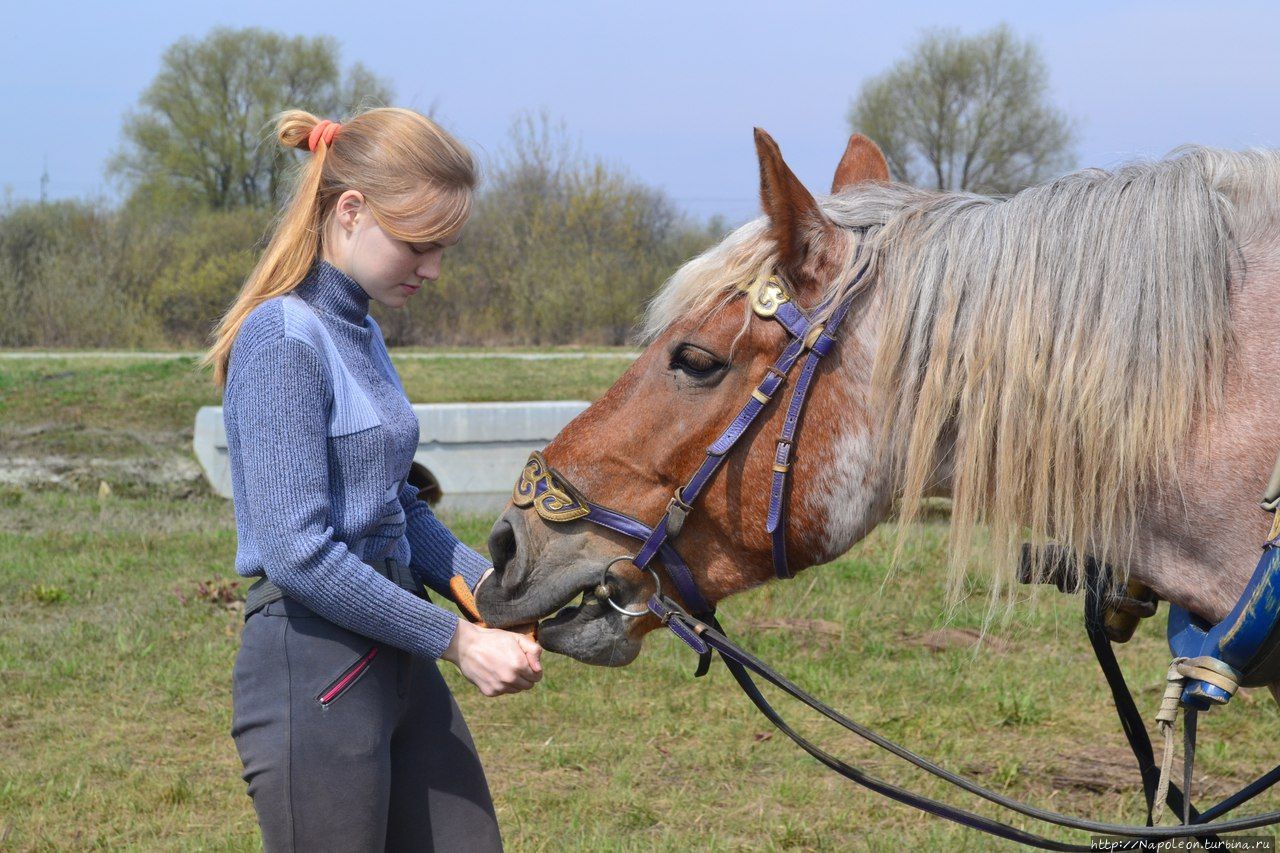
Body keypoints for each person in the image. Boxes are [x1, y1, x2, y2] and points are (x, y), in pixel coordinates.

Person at [201, 107, 541, 852]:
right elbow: (298, 553)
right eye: (420, 245)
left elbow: (396, 508)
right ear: (350, 211)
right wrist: (457, 639)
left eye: (443, 248)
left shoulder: (359, 328)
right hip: (313, 665)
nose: (433, 269)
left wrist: (493, 596)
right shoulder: (282, 337)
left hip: (395, 653)